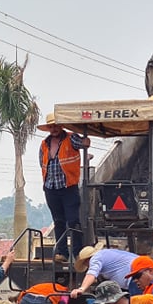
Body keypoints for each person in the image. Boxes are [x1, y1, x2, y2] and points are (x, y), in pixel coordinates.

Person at [38, 113, 90, 264]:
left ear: (61, 126)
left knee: (73, 220)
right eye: (51, 126)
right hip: (51, 188)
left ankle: (78, 252)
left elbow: (83, 143)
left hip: (68, 187)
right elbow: (42, 163)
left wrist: (85, 142)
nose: (53, 128)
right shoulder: (44, 144)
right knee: (58, 221)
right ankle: (62, 253)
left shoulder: (70, 138)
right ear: (48, 128)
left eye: (56, 125)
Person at [69, 246, 139, 298]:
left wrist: (82, 288)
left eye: (85, 265)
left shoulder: (95, 258)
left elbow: (92, 273)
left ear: (87, 260)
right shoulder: (106, 254)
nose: (87, 267)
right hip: (141, 273)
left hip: (135, 277)